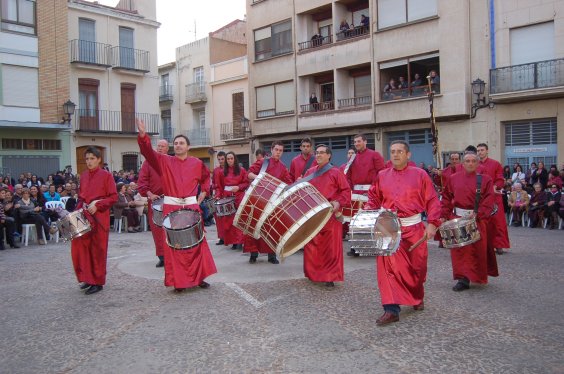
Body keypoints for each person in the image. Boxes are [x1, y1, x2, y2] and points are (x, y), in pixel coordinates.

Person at [364, 140, 440, 326]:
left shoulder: (420, 175)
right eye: (392, 151)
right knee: (387, 269)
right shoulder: (382, 175)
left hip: (414, 229)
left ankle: (416, 295)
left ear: (408, 154)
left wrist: (432, 223)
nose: (395, 154)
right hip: (388, 228)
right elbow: (374, 198)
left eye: (399, 151)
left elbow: (432, 200)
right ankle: (391, 309)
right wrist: (367, 210)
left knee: (417, 268)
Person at [137, 119, 217, 292]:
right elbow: (148, 152)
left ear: (188, 147)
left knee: (197, 243)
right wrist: (143, 136)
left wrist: (203, 193)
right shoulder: (164, 161)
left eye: (182, 143)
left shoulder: (197, 163)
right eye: (176, 143)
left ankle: (200, 277)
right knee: (174, 247)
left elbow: (206, 178)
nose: (178, 145)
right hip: (172, 209)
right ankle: (178, 281)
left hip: (191, 208)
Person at [440, 151, 498, 292]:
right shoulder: (453, 178)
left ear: (478, 163)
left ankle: (477, 275)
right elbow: (446, 197)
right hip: (459, 219)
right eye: (467, 161)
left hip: (477, 219)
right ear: (462, 163)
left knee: (478, 250)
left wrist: (479, 213)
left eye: (473, 161)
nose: (470, 163)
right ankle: (463, 278)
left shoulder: (485, 179)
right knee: (460, 251)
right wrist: (444, 214)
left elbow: (489, 199)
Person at [70, 147, 117, 295]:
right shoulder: (83, 176)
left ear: (98, 160)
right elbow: (82, 197)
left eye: (92, 158)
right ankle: (87, 278)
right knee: (83, 249)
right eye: (87, 159)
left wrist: (97, 204)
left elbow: (113, 197)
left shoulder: (106, 176)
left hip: (99, 218)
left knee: (98, 250)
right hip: (84, 216)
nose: (89, 161)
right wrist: (76, 211)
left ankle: (97, 282)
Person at [303, 144, 351, 287]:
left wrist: (338, 203)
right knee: (312, 246)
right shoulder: (310, 172)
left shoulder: (336, 173)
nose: (318, 155)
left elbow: (346, 192)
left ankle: (329, 277)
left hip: (330, 216)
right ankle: (313, 274)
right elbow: (302, 191)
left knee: (330, 248)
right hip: (313, 216)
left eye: (322, 153)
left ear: (329, 155)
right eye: (317, 153)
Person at [245, 140, 292, 264]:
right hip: (258, 198)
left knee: (271, 228)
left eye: (280, 150)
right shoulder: (262, 162)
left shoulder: (283, 167)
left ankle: (271, 255)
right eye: (276, 150)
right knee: (254, 226)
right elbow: (248, 174)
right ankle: (253, 253)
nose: (278, 152)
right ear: (271, 150)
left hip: (273, 202)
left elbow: (288, 183)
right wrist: (260, 178)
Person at [345, 134, 385, 256]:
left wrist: (373, 189)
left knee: (370, 221)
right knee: (355, 221)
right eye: (355, 142)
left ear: (365, 142)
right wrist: (350, 190)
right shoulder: (352, 158)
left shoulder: (375, 155)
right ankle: (355, 246)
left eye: (359, 141)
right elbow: (348, 176)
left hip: (371, 193)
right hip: (356, 193)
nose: (356, 143)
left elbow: (381, 173)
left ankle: (373, 246)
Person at [137, 139, 168, 267]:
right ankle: (162, 256)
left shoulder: (171, 161)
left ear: (167, 149)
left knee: (169, 229)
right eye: (158, 146)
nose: (160, 148)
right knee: (157, 230)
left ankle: (172, 254)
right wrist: (150, 195)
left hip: (170, 201)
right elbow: (142, 183)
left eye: (163, 146)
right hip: (155, 202)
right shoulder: (147, 163)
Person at [476, 143, 510, 255]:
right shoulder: (475, 164)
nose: (480, 152)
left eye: (482, 150)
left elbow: (500, 179)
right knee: (483, 222)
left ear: (487, 151)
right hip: (481, 198)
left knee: (497, 222)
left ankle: (499, 245)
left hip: (495, 197)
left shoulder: (495, 164)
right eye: (478, 150)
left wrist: (495, 186)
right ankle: (484, 245)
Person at [216, 152, 249, 250]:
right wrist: (218, 197)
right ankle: (233, 241)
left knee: (239, 220)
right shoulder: (221, 172)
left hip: (239, 197)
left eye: (231, 158)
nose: (230, 160)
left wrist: (238, 187)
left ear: (235, 159)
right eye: (228, 159)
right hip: (227, 198)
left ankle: (239, 241)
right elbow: (219, 186)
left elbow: (246, 183)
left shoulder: (242, 170)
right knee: (229, 221)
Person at [213, 151, 227, 246]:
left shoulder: (229, 169)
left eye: (222, 159)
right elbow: (213, 182)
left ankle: (229, 238)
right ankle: (221, 238)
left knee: (227, 219)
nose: (221, 161)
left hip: (227, 196)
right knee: (219, 219)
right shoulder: (216, 170)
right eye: (219, 159)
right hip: (218, 196)